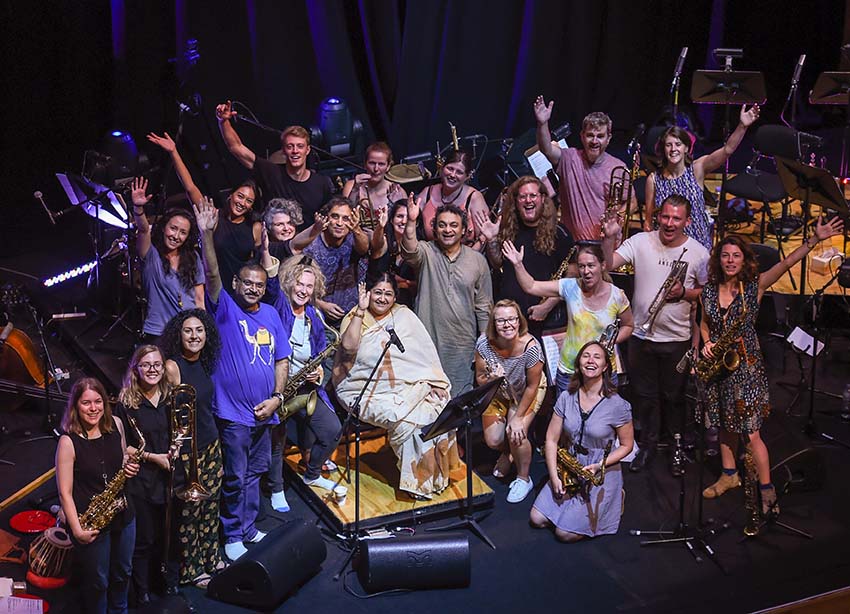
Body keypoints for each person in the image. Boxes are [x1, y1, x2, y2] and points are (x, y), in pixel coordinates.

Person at [700, 217, 843, 518]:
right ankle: (729, 474)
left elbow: (788, 262)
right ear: (718, 259)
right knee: (725, 426)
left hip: (748, 369)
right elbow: (703, 325)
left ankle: (767, 490)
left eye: (736, 256)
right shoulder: (708, 292)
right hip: (720, 368)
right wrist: (707, 343)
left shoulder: (755, 285)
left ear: (744, 260)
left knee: (751, 435)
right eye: (725, 255)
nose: (730, 260)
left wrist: (814, 240)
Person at [195, 197, 291, 561]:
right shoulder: (225, 308)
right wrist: (206, 233)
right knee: (235, 476)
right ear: (237, 283)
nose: (253, 288)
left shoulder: (269, 313)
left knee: (255, 473)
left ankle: (249, 527)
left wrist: (278, 398)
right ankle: (233, 532)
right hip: (234, 415)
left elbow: (281, 360)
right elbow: (213, 275)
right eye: (247, 282)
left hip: (266, 412)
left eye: (259, 284)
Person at [601, 194, 709, 473]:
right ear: (658, 216)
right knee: (645, 396)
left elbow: (708, 293)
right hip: (641, 335)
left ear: (687, 221)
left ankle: (676, 448)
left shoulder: (698, 253)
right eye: (665, 216)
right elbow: (608, 264)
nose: (669, 223)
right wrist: (609, 238)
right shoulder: (640, 241)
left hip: (677, 338)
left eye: (676, 218)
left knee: (674, 398)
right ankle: (647, 446)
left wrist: (684, 292)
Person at [333, 275, 459, 499]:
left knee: (437, 409)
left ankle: (436, 477)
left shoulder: (403, 316)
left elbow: (421, 355)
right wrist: (361, 311)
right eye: (378, 292)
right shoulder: (354, 316)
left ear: (394, 297)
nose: (382, 298)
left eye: (388, 293)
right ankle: (418, 482)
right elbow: (349, 350)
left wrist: (432, 381)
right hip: (361, 387)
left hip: (407, 384)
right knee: (404, 421)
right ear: (368, 293)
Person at [258, 247, 344, 507]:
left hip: (303, 388)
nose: (304, 290)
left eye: (309, 285)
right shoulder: (278, 308)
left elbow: (319, 351)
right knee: (277, 441)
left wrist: (319, 372)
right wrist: (265, 250)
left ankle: (313, 474)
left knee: (332, 429)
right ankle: (276, 488)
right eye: (299, 283)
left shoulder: (314, 316)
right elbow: (272, 285)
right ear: (289, 282)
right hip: (276, 386)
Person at [530, 341, 634, 542]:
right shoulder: (566, 397)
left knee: (564, 534)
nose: (590, 360)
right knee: (537, 518)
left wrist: (599, 465)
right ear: (578, 364)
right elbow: (551, 440)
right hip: (570, 466)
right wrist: (554, 477)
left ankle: (615, 497)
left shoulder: (618, 405)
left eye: (597, 357)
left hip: (599, 470)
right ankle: (571, 508)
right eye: (586, 356)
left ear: (605, 367)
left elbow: (627, 445)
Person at [503, 242, 633, 394]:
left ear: (602, 265)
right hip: (570, 371)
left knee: (603, 417)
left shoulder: (617, 295)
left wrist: (610, 340)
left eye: (591, 265)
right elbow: (531, 286)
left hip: (603, 373)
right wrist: (518, 264)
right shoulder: (570, 287)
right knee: (567, 416)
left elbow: (629, 325)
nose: (586, 271)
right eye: (582, 266)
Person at [55, 378, 139, 614]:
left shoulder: (116, 424)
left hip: (123, 512)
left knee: (123, 573)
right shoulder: (68, 442)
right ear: (75, 406)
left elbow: (121, 458)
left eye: (98, 401)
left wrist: (129, 466)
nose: (93, 409)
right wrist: (78, 531)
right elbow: (65, 493)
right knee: (98, 583)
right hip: (91, 521)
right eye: (86, 403)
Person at [147, 132, 263, 298]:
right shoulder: (213, 217)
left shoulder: (255, 227)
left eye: (249, 201)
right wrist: (173, 152)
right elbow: (190, 187)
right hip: (214, 291)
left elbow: (257, 263)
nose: (242, 203)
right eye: (240, 196)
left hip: (242, 295)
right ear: (231, 195)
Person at [401, 196, 493, 397]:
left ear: (463, 230)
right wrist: (411, 220)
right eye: (442, 225)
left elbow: (484, 305)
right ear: (435, 229)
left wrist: (485, 343)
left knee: (458, 404)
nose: (448, 230)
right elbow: (408, 251)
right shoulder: (427, 251)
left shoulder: (478, 261)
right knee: (427, 403)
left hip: (462, 346)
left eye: (453, 225)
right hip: (427, 344)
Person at [161, 309, 224, 588]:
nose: (194, 336)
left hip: (211, 444)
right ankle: (192, 569)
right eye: (188, 330)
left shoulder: (205, 362)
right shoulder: (173, 367)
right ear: (179, 334)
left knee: (210, 505)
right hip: (188, 451)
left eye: (199, 330)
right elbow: (167, 411)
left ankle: (211, 558)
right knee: (190, 512)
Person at [644, 104, 760, 250]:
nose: (673, 149)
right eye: (669, 145)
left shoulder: (697, 168)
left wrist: (742, 126)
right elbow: (648, 221)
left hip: (697, 243)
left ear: (686, 148)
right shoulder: (654, 180)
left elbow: (727, 150)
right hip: (666, 245)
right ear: (663, 149)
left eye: (678, 144)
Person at [113, 345, 177, 603]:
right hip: (142, 480)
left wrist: (174, 447)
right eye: (146, 365)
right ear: (135, 369)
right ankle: (142, 592)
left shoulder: (169, 396)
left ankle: (165, 584)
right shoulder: (126, 403)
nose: (152, 370)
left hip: (169, 477)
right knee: (145, 540)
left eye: (157, 365)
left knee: (167, 536)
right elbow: (123, 446)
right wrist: (153, 457)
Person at [475, 175, 575, 338]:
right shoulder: (508, 229)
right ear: (516, 201)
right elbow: (497, 263)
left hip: (546, 321)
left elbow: (570, 277)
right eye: (522, 196)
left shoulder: (560, 233)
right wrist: (492, 239)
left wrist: (547, 306)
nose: (528, 200)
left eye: (533, 195)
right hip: (511, 320)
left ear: (543, 198)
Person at [534, 96, 635, 242]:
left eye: (600, 136)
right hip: (574, 245)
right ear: (582, 136)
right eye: (590, 136)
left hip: (606, 244)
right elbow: (546, 149)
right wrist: (542, 123)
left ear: (609, 138)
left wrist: (616, 217)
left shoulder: (619, 167)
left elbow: (632, 202)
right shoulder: (569, 158)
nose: (594, 141)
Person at [215, 102, 333, 225]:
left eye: (300, 146)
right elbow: (236, 147)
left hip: (309, 241)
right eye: (290, 146)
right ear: (283, 151)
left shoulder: (321, 183)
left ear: (307, 150)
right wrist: (223, 122)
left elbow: (330, 215)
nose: (295, 151)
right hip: (276, 242)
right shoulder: (271, 172)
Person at [474, 300, 545, 503]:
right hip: (498, 392)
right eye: (501, 320)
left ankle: (524, 478)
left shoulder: (531, 347)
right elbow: (480, 378)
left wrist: (518, 417)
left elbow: (532, 386)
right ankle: (508, 453)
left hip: (526, 393)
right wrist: (492, 379)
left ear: (519, 320)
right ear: (493, 323)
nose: (507, 325)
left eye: (512, 319)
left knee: (516, 433)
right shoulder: (483, 344)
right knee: (494, 440)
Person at [130, 177, 204, 342]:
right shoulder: (151, 255)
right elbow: (143, 230)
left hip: (189, 333)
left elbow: (199, 299)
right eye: (173, 228)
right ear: (164, 228)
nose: (176, 236)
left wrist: (203, 328)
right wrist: (138, 208)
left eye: (183, 232)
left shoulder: (193, 258)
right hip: (159, 333)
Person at [303, 197, 370, 325]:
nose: (339, 223)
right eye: (335, 216)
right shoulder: (311, 245)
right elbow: (296, 285)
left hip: (352, 314)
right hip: (316, 315)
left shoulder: (354, 238)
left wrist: (356, 229)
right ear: (327, 218)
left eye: (345, 218)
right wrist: (320, 304)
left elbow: (364, 248)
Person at [416, 150, 488, 248]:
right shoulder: (427, 192)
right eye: (450, 168)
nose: (453, 175)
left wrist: (468, 258)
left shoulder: (474, 198)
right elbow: (411, 225)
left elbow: (484, 236)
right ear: (442, 168)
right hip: (431, 257)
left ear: (467, 176)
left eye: (459, 172)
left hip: (466, 258)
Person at [367, 198, 418, 307]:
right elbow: (377, 245)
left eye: (408, 217)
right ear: (391, 220)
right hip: (378, 302)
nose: (404, 221)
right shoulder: (384, 240)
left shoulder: (420, 247)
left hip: (408, 305)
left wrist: (406, 283)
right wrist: (380, 227)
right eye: (400, 216)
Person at [342, 141, 404, 225]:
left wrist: (394, 204)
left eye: (381, 164)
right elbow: (344, 216)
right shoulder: (351, 185)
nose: (376, 169)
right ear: (365, 164)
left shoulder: (397, 190)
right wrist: (355, 189)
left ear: (388, 166)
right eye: (372, 163)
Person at [262, 197, 323, 261]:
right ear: (269, 227)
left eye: (290, 223)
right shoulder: (267, 248)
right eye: (279, 224)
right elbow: (294, 246)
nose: (286, 228)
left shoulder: (308, 247)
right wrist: (315, 229)